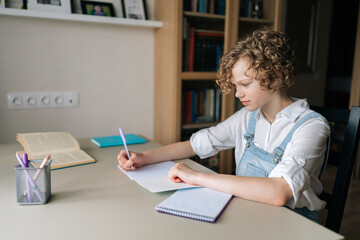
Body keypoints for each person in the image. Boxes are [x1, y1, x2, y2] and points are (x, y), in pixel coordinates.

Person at [117, 28, 329, 222]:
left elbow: (278, 193)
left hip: (293, 223)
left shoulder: (312, 127)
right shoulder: (247, 118)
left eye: (245, 84)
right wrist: (144, 158)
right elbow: (193, 146)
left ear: (275, 78)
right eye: (236, 86)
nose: (237, 94)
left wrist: (197, 177)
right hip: (247, 212)